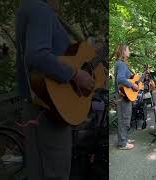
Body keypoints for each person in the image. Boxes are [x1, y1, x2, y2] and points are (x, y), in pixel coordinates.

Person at [15, 0, 95, 179]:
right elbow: (37, 55)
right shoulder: (39, 8)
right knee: (56, 173)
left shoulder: (32, 8)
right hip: (47, 111)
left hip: (45, 108)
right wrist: (75, 74)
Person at [114, 43, 138, 150]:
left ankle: (125, 139)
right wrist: (132, 85)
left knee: (126, 118)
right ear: (123, 51)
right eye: (128, 50)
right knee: (124, 119)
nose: (129, 52)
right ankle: (122, 143)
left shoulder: (120, 64)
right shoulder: (121, 64)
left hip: (125, 96)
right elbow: (120, 79)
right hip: (123, 96)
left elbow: (128, 78)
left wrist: (136, 81)